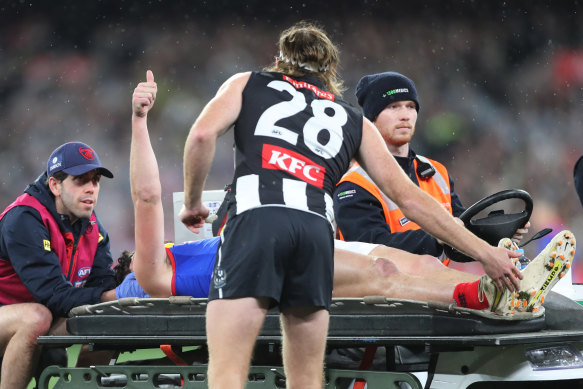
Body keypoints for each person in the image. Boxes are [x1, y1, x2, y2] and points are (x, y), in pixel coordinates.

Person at [176, 21, 525, 389]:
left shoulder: (248, 82)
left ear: (279, 60)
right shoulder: (353, 118)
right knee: (308, 380)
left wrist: (192, 201)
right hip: (313, 233)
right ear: (331, 69)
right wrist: (487, 253)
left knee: (228, 374)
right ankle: (476, 290)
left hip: (256, 222)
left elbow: (200, 135)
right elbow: (410, 199)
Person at [333, 71, 530, 259]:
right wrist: (440, 235)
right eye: (393, 107)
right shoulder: (354, 184)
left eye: (410, 106)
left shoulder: (436, 172)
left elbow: (461, 230)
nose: (405, 115)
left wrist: (497, 234)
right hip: (386, 293)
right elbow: (370, 251)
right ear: (371, 118)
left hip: (435, 285)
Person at [0, 141, 117, 389]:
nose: (91, 189)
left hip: (39, 317)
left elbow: (102, 284)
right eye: (80, 180)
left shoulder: (92, 227)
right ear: (55, 184)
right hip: (14, 316)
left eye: (95, 181)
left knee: (105, 316)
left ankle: (79, 387)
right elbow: (53, 295)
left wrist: (128, 281)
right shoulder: (25, 218)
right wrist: (115, 295)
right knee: (36, 316)